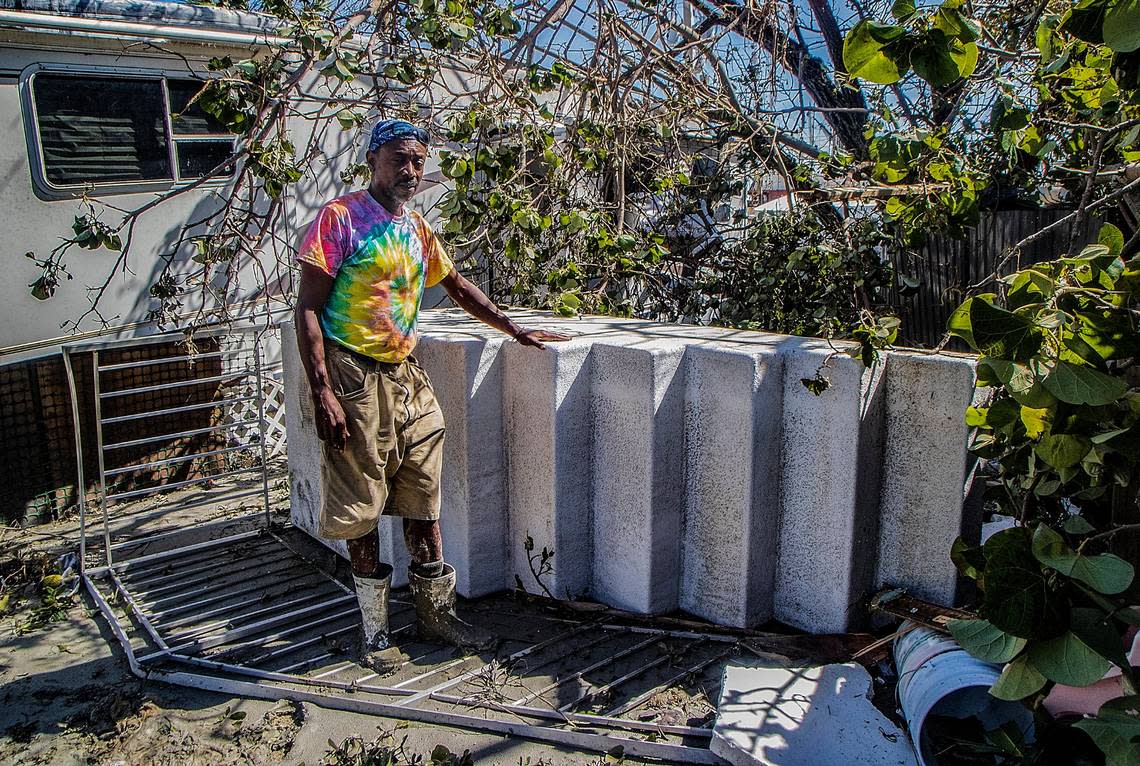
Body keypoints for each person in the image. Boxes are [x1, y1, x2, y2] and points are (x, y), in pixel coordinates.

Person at [294, 119, 569, 671]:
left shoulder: (416, 227)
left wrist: (514, 329)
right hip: (352, 373)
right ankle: (375, 632)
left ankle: (436, 617)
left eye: (418, 161)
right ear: (373, 160)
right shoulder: (341, 219)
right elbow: (307, 308)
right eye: (399, 159)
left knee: (423, 492)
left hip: (404, 372)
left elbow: (457, 285)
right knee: (361, 502)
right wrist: (322, 391)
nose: (410, 171)